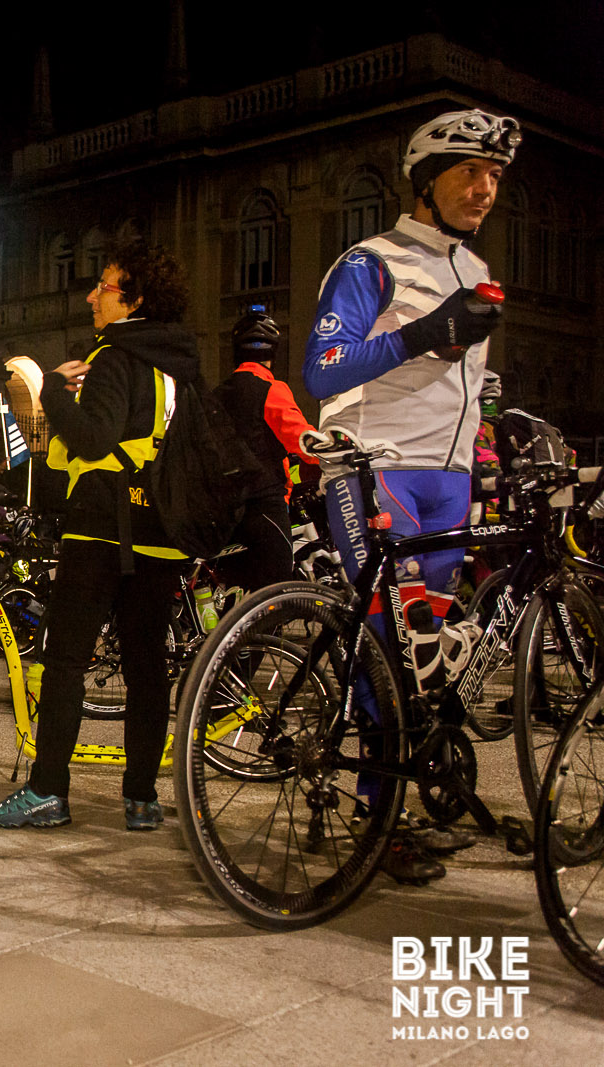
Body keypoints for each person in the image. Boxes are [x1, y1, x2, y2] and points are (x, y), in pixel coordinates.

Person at [303, 108, 520, 883]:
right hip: (377, 466)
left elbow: (458, 388)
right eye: (468, 172)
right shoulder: (372, 262)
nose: (484, 188)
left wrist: (493, 438)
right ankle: (376, 818)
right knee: (389, 652)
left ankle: (399, 794)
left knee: (427, 662)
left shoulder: (473, 268)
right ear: (426, 181)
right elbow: (323, 368)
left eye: (494, 176)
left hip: (449, 482)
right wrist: (425, 331)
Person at [0, 241, 195, 832]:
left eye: (104, 286)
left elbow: (96, 438)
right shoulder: (176, 362)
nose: (91, 296)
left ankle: (48, 790)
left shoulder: (114, 356)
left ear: (135, 299)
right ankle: (141, 798)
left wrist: (52, 391)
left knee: (66, 659)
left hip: (102, 526)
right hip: (160, 529)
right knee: (147, 666)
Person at [212, 306, 317, 591]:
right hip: (264, 506)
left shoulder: (214, 397)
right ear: (273, 353)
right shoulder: (272, 389)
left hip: (223, 511)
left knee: (235, 593)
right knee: (274, 593)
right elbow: (302, 440)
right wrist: (331, 455)